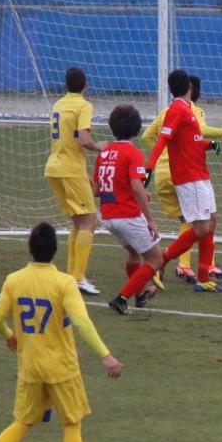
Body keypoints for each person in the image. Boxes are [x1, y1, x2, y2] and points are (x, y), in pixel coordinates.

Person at [0, 222, 123, 442]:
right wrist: (106, 354)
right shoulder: (63, 282)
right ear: (55, 250)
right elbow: (81, 322)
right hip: (62, 368)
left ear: (30, 248)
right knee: (72, 423)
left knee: (22, 422)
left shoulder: (14, 280)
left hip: (30, 367)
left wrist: (10, 337)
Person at [141, 74, 222, 284]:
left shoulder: (188, 110)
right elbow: (163, 138)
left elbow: (194, 139)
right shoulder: (178, 109)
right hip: (189, 177)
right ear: (190, 86)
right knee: (200, 227)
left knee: (212, 220)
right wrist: (149, 168)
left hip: (200, 173)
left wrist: (208, 145)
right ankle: (161, 262)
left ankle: (204, 278)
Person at [95, 105, 163, 314]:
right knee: (155, 259)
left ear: (112, 128)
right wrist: (150, 219)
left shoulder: (104, 153)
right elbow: (135, 185)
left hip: (108, 216)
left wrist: (139, 193)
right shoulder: (133, 153)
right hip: (128, 215)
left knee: (133, 254)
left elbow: (97, 190)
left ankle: (139, 293)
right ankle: (122, 298)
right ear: (136, 128)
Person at [45, 67, 104, 296]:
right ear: (86, 85)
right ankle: (78, 278)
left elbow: (68, 140)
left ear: (65, 86)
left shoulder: (58, 104)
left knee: (78, 223)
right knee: (89, 222)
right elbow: (83, 138)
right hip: (69, 170)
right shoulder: (84, 105)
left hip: (54, 167)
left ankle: (72, 276)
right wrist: (100, 147)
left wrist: (84, 172)